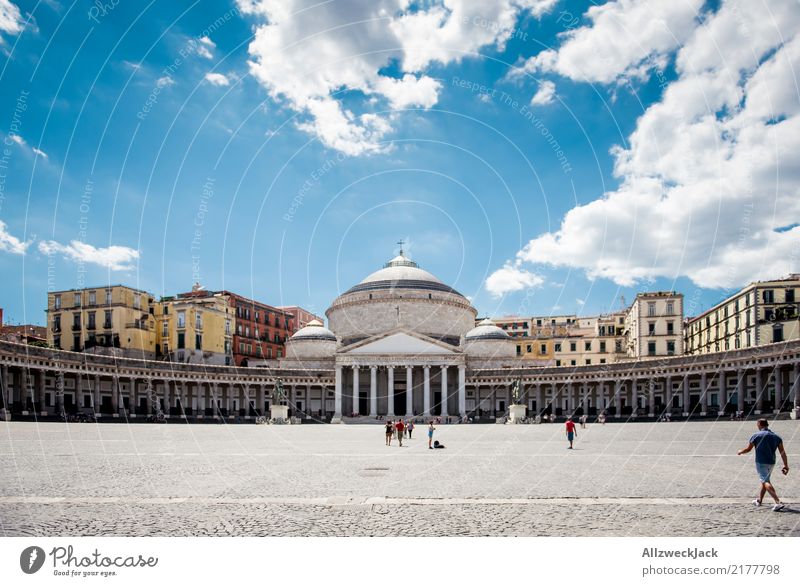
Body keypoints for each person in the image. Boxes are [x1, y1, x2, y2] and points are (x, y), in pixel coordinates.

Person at [737, 418, 789, 511]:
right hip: (771, 462)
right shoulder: (776, 437)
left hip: (761, 462)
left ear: (760, 424)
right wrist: (786, 465)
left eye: (757, 424)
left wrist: (740, 451)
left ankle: (778, 502)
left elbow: (748, 449)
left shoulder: (756, 435)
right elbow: (782, 452)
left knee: (765, 481)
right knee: (765, 480)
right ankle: (759, 500)